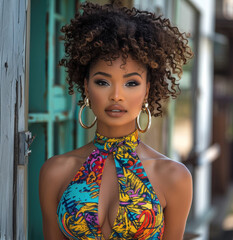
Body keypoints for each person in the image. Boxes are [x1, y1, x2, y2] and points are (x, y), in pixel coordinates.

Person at [39, 2, 193, 240]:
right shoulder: (56, 172)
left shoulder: (174, 177)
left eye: (131, 83)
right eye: (103, 81)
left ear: (147, 90)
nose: (116, 95)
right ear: (86, 87)